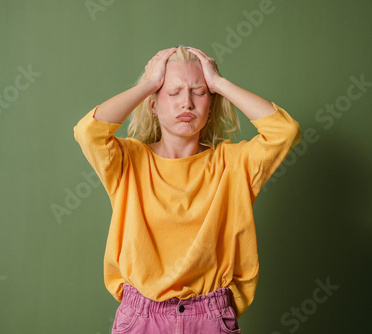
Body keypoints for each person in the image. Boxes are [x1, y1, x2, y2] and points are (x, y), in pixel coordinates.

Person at [73, 45, 301, 333]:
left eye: (199, 92)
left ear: (211, 103)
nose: (187, 103)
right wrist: (148, 84)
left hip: (210, 317)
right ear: (153, 104)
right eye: (173, 92)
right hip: (141, 317)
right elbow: (87, 131)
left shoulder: (233, 164)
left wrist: (218, 82)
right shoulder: (127, 161)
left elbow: (285, 131)